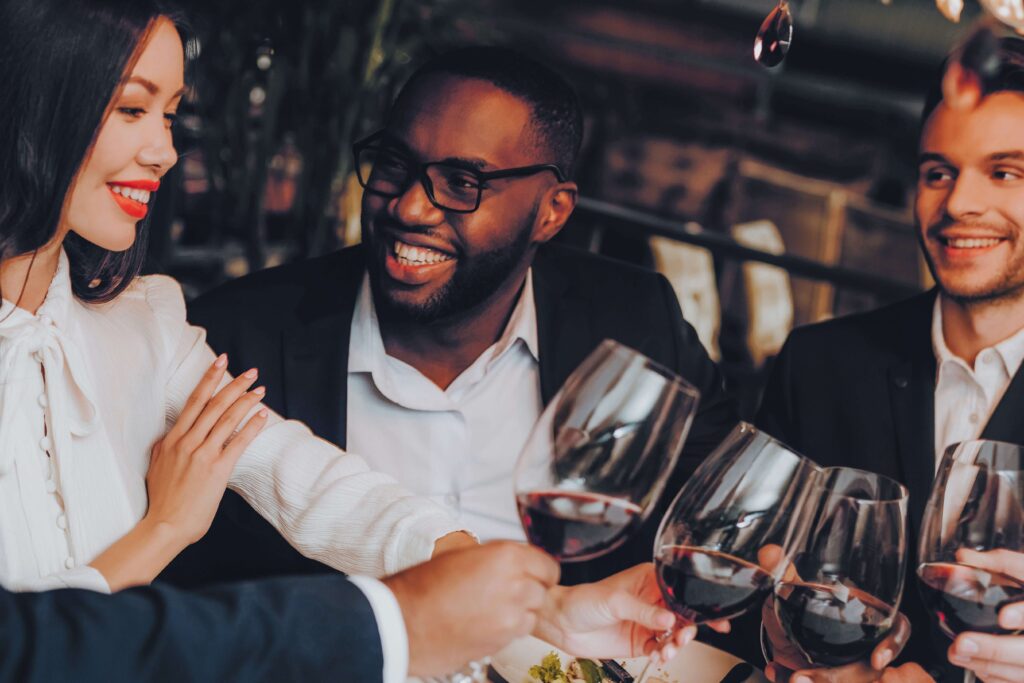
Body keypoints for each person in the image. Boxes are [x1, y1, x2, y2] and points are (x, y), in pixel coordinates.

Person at [167, 45, 737, 589]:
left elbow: (721, 519)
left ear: (552, 210)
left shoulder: (634, 320)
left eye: (463, 183)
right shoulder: (237, 338)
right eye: (395, 165)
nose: (409, 208)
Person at [0, 0, 478, 596]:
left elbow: (298, 474)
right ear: (31, 100)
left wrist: (477, 568)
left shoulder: (146, 321)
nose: (164, 152)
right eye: (131, 108)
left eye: (170, 115)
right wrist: (165, 529)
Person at [756, 37, 1024, 683]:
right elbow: (741, 585)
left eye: (1005, 172)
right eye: (938, 172)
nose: (959, 203)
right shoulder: (817, 363)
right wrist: (781, 640)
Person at [2, 541, 698, 682]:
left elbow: (312, 472)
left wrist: (541, 607)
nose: (164, 149)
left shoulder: (149, 315)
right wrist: (399, 620)